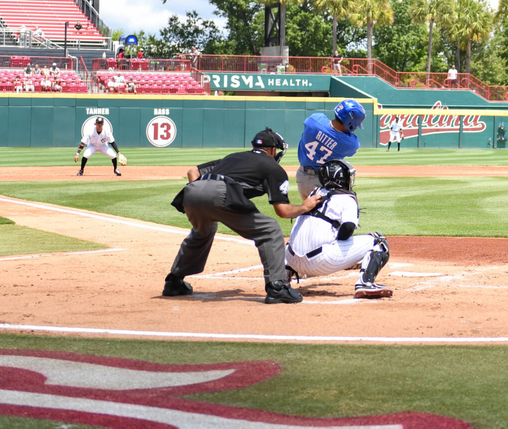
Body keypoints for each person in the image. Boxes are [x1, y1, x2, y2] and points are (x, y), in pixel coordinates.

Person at [163, 128, 320, 304]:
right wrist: (305, 206)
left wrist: (205, 195)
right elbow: (283, 211)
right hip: (220, 192)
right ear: (273, 151)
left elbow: (193, 172)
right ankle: (277, 287)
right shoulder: (273, 167)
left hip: (191, 193)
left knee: (202, 232)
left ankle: (174, 281)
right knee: (270, 230)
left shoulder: (233, 157)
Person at [285, 160, 392, 299]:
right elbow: (348, 228)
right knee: (378, 241)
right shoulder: (347, 198)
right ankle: (365, 283)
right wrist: (341, 249)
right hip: (322, 262)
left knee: (294, 242)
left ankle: (283, 278)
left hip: (292, 261)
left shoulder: (314, 192)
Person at [294, 99, 365, 199]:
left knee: (308, 211)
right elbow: (352, 145)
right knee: (325, 213)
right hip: (323, 180)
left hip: (301, 177)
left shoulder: (315, 119)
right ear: (350, 123)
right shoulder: (350, 143)